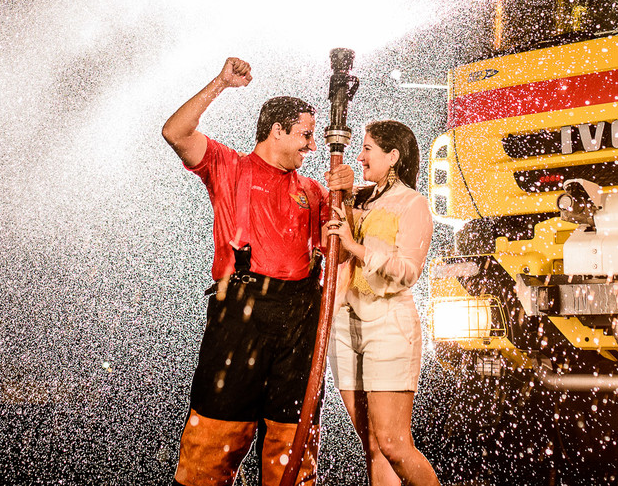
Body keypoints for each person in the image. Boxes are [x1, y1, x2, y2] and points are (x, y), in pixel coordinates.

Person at [162, 56, 353, 486]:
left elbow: (341, 252)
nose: (312, 146)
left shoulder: (314, 191)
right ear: (277, 130)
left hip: (300, 320)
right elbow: (175, 132)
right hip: (241, 316)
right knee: (214, 438)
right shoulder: (229, 167)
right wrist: (221, 83)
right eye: (305, 134)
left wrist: (347, 195)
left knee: (293, 443)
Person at [325, 120, 441, 486]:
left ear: (392, 156)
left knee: (393, 443)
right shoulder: (360, 198)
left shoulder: (413, 204)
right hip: (346, 325)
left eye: (367, 149)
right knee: (373, 445)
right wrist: (344, 190)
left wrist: (355, 246)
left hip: (389, 325)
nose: (360, 157)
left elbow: (408, 271)